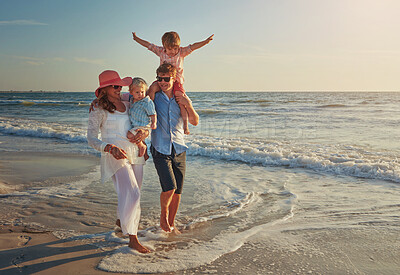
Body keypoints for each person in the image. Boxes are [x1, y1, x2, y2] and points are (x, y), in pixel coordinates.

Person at [87, 70, 151, 253]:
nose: (119, 88)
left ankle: (120, 220)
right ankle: (132, 237)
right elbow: (91, 139)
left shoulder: (128, 101)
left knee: (133, 192)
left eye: (120, 85)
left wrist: (144, 135)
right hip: (115, 155)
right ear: (104, 89)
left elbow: (141, 121)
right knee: (133, 193)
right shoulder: (98, 109)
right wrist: (109, 148)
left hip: (136, 152)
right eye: (115, 86)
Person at [150, 63, 199, 234]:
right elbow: (135, 97)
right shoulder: (154, 97)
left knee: (177, 191)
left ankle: (171, 224)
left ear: (174, 78)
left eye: (166, 79)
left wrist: (188, 104)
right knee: (169, 187)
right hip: (159, 148)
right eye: (159, 79)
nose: (162, 82)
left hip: (179, 148)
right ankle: (163, 215)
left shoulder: (182, 97)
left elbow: (195, 121)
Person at [132, 31, 212, 135]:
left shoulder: (181, 52)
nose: (173, 51)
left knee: (180, 99)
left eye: (175, 48)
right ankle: (148, 110)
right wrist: (136, 39)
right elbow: (148, 45)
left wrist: (205, 42)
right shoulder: (161, 52)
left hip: (178, 82)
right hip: (159, 146)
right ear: (164, 46)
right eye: (170, 49)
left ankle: (185, 126)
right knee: (152, 88)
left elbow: (193, 47)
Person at [126, 77, 157, 158]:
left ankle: (141, 146)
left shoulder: (146, 102)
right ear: (131, 92)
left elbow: (153, 113)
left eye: (142, 92)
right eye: (137, 92)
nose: (140, 94)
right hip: (135, 125)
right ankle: (144, 152)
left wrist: (154, 123)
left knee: (129, 135)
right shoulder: (132, 100)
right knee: (138, 139)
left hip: (142, 125)